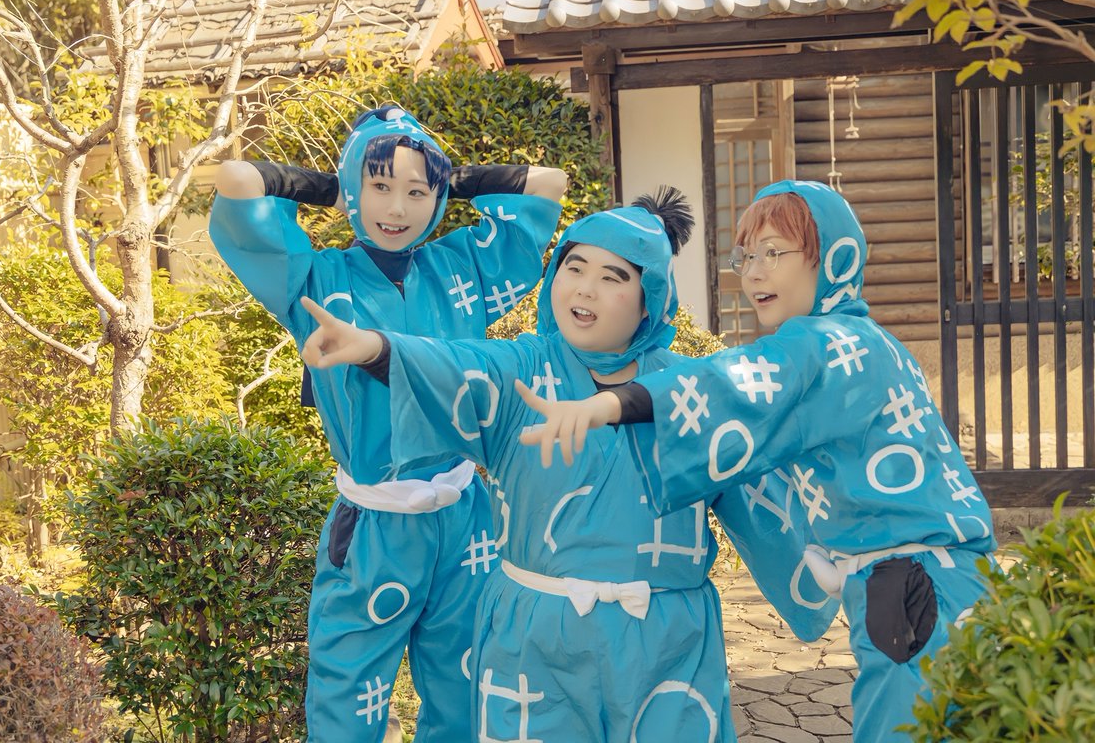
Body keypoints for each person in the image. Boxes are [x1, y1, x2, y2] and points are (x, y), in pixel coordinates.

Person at [298, 188, 838, 742]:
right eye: (573, 267)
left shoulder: (689, 390)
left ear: (649, 299)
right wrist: (375, 348)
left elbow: (759, 490)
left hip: (665, 641)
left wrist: (837, 559)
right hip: (536, 642)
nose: (584, 288)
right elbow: (452, 366)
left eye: (612, 277)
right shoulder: (520, 370)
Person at [516, 180, 997, 742]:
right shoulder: (873, 342)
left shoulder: (826, 343)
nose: (754, 273)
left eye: (774, 253)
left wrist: (608, 404)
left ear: (833, 256)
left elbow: (729, 386)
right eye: (746, 256)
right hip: (946, 578)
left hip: (912, 586)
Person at [209, 105, 567, 742]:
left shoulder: (460, 269)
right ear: (355, 190)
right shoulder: (314, 277)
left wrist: (451, 180)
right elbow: (236, 182)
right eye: (378, 186)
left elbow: (547, 185)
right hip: (373, 524)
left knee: (466, 688)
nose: (397, 208)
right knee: (347, 696)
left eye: (416, 192)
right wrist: (333, 187)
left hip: (464, 517)